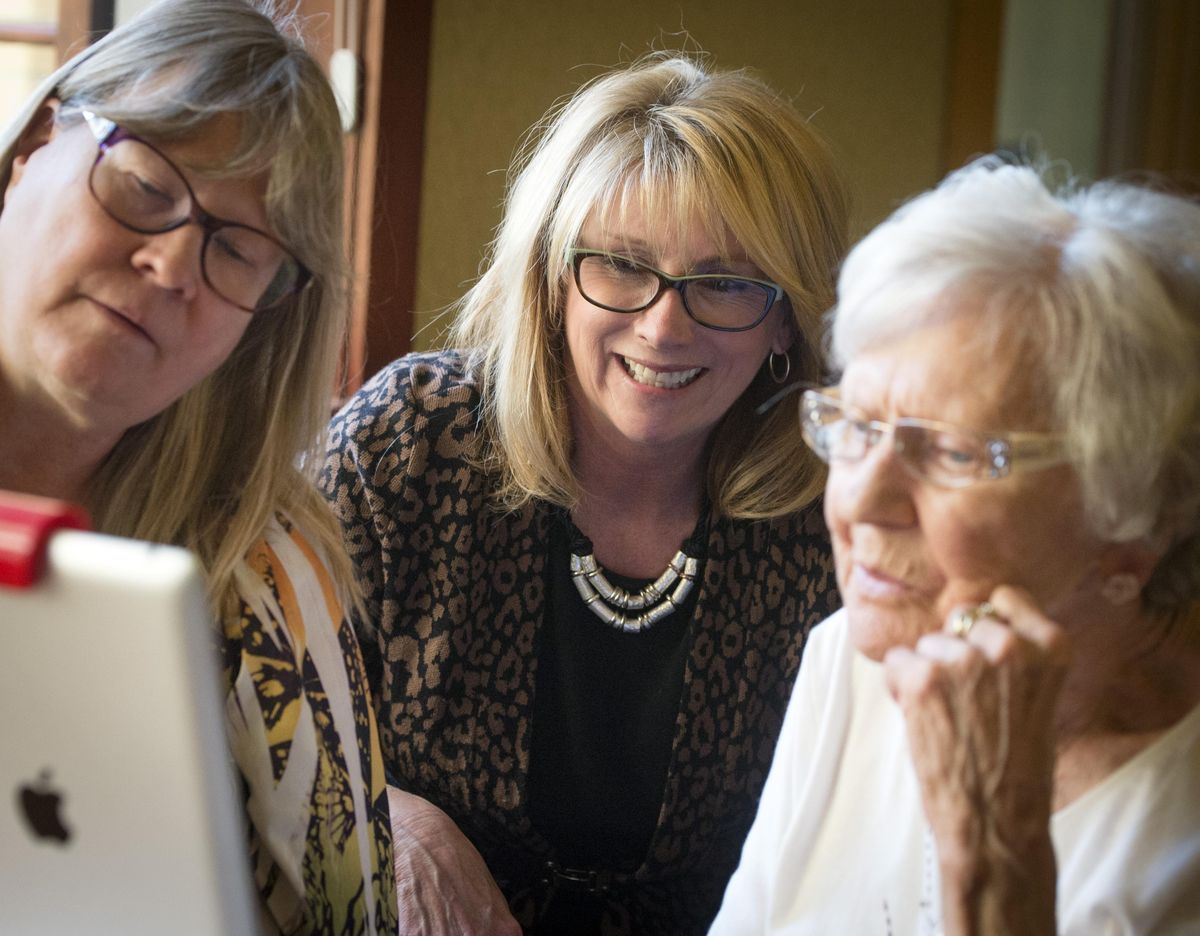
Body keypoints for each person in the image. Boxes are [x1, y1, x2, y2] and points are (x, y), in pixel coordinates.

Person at [322, 55, 847, 934]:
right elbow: (249, 709)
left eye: (723, 281)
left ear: (786, 316)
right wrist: (394, 823)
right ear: (551, 279)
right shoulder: (411, 443)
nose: (664, 325)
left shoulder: (833, 515)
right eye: (622, 266)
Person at [710, 161, 1200, 934]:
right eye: (859, 428)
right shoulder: (858, 660)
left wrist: (993, 863)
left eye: (953, 454)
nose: (862, 502)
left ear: (1132, 527)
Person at [0, 2, 397, 933]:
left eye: (238, 249)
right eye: (142, 184)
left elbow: (352, 920)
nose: (176, 265)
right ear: (33, 151)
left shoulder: (263, 580)